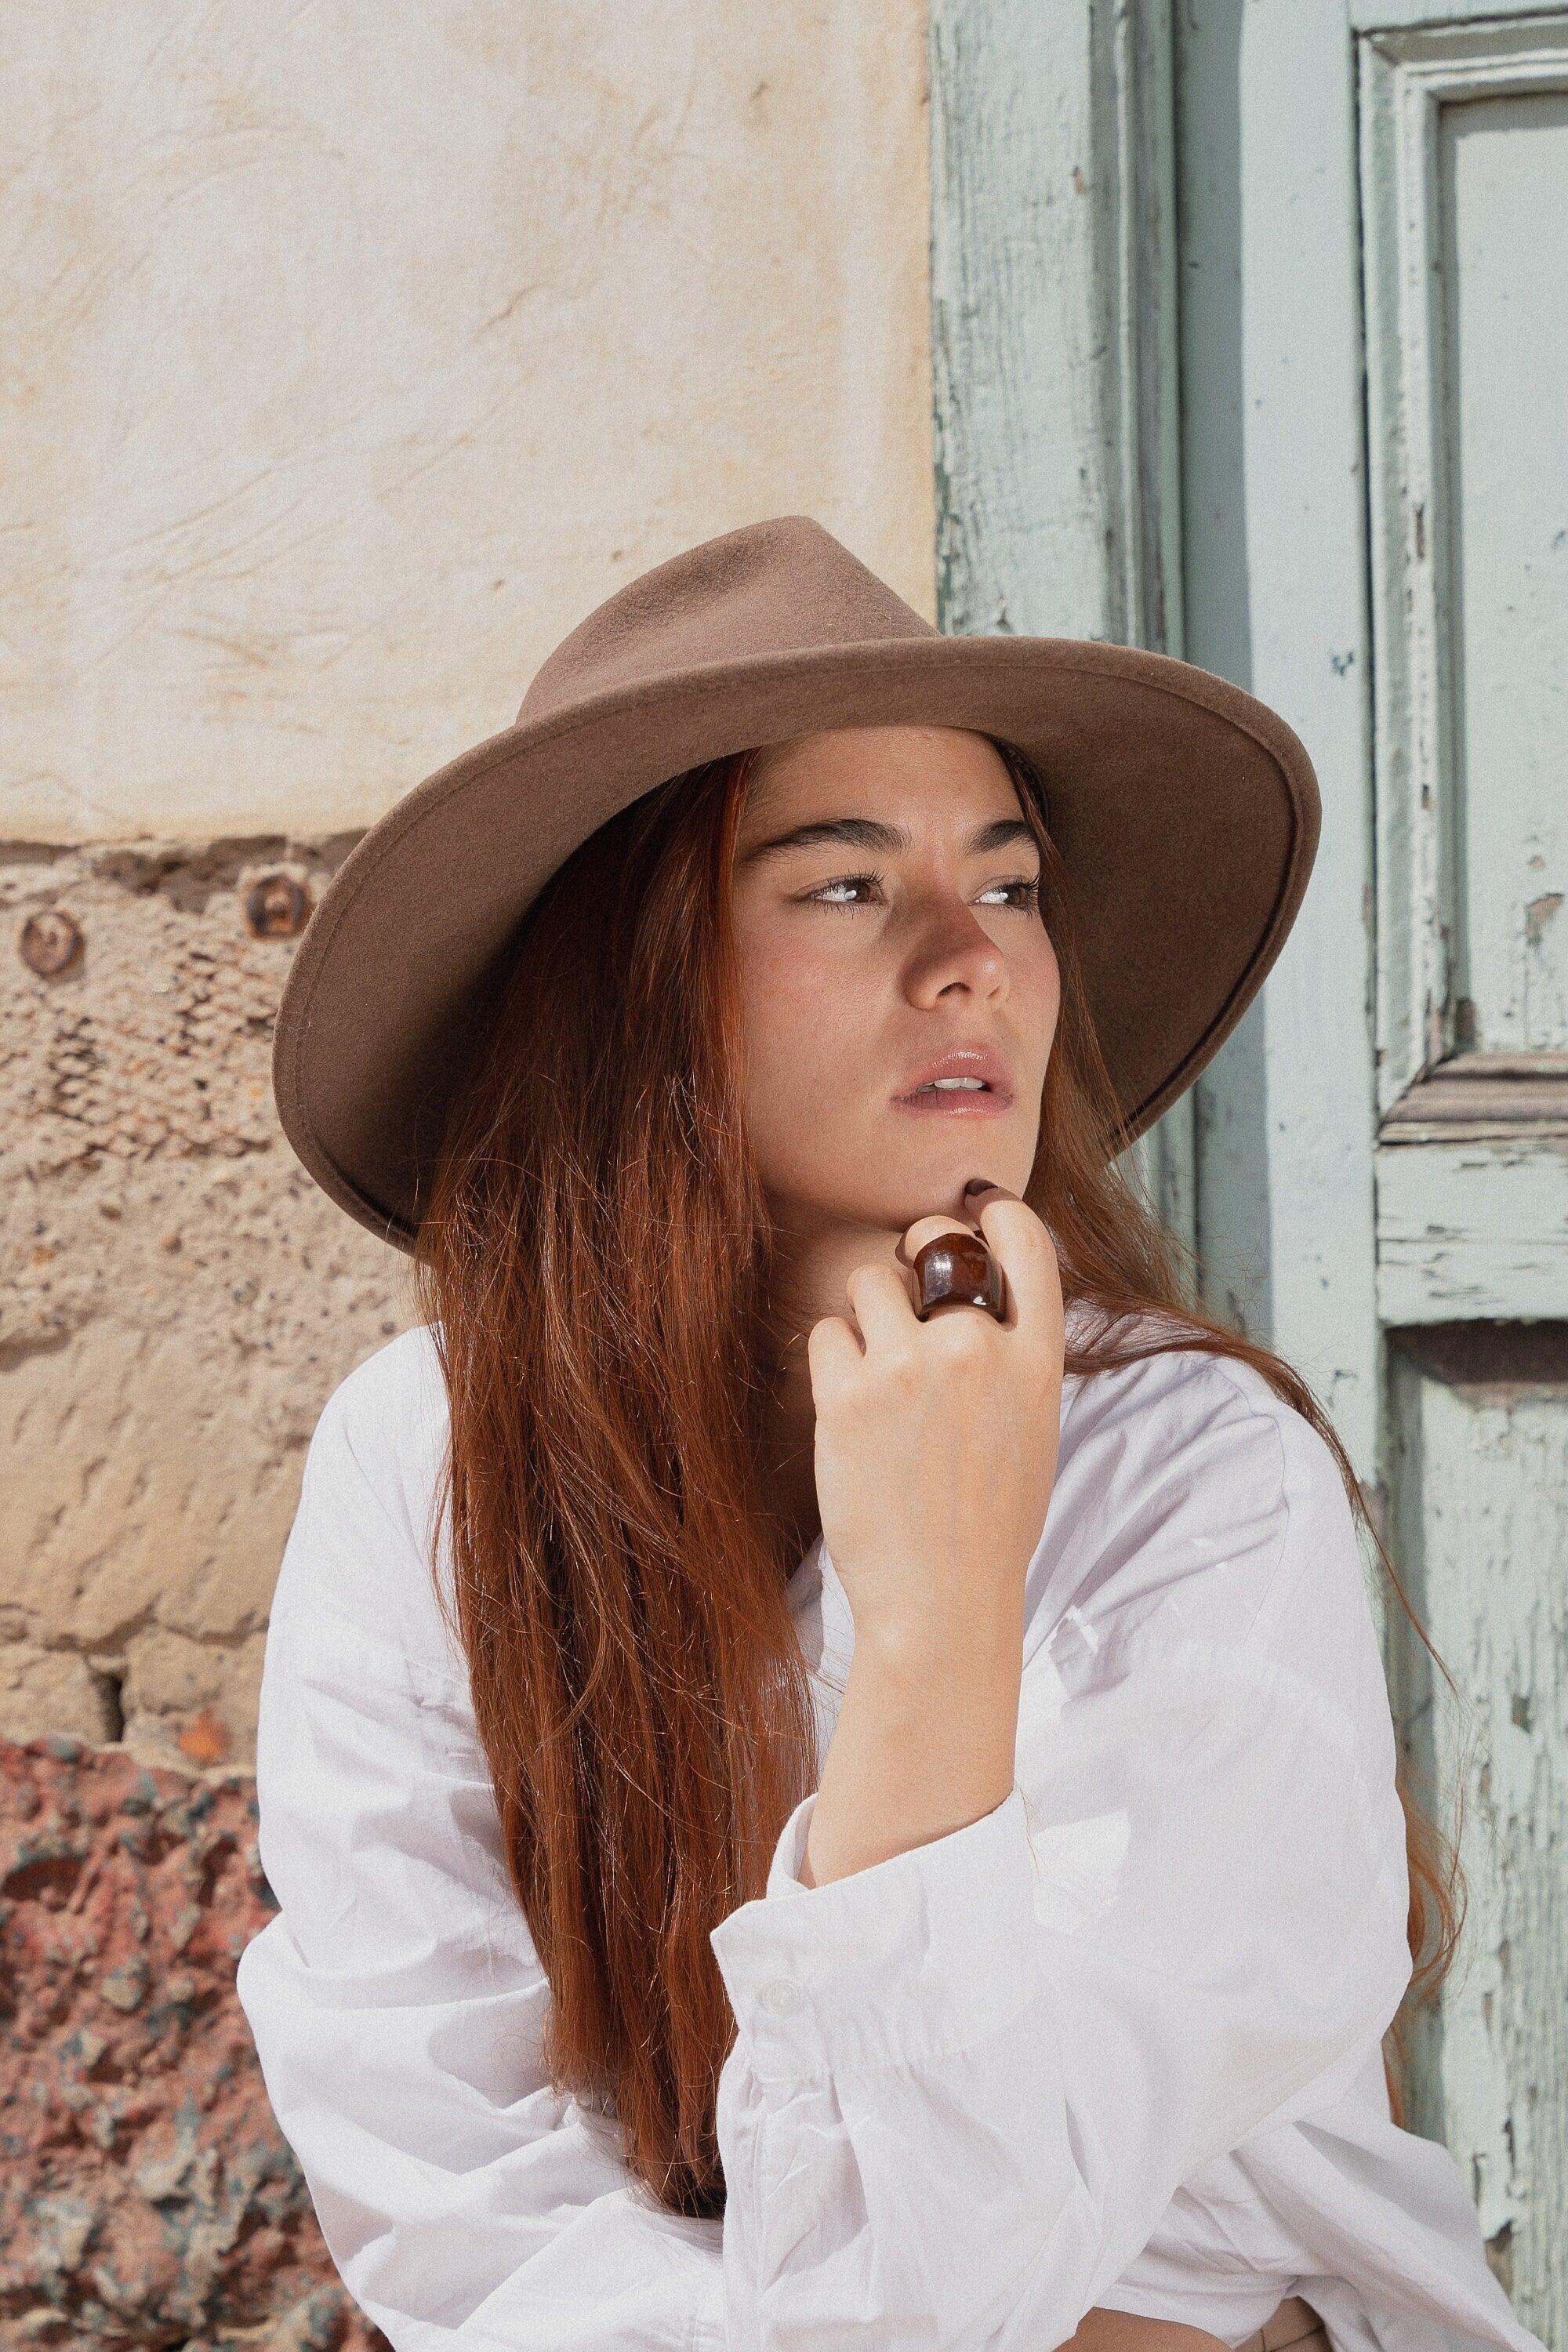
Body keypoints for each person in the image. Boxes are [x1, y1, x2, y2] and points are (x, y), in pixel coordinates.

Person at [237, 518, 1541, 2352]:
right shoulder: (425, 1460)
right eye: (846, 887)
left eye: (1008, 887)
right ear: (639, 978)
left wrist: (936, 1626)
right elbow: (450, 2187)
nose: (971, 963)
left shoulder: (1190, 1475)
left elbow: (958, 2271)